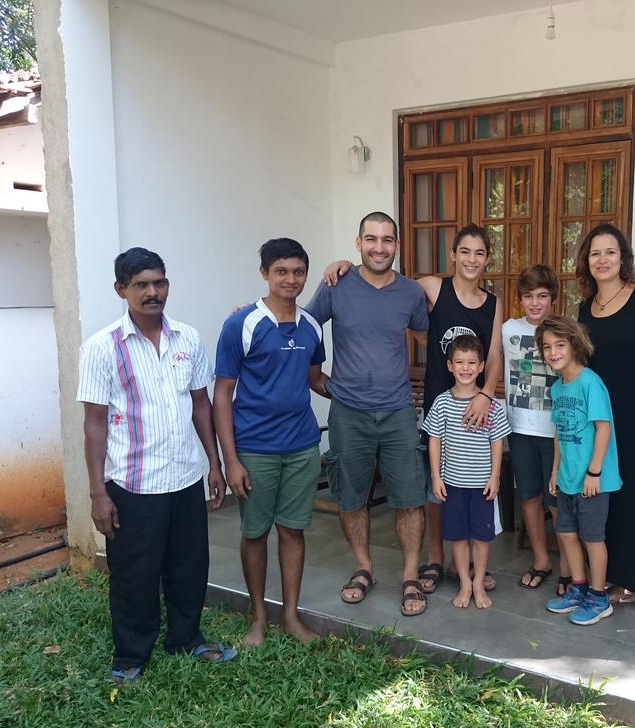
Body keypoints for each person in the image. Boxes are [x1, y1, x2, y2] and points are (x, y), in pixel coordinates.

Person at [77, 247, 235, 684]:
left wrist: (215, 465)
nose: (153, 292)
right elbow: (94, 424)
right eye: (141, 285)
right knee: (134, 574)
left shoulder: (187, 338)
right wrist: (97, 492)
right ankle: (131, 654)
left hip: (185, 476)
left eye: (159, 282)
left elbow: (201, 405)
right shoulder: (102, 347)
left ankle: (187, 638)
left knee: (189, 565)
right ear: (120, 290)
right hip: (132, 482)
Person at [323, 224, 503, 594]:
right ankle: (435, 559)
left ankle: (462, 561)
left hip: (476, 405)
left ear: (487, 259)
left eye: (479, 253)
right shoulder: (432, 286)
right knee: (438, 482)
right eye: (464, 251)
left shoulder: (493, 303)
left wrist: (486, 393)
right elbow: (383, 276)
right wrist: (342, 265)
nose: (471, 259)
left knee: (468, 482)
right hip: (441, 401)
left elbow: (495, 355)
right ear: (452, 255)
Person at [306, 212, 431, 617]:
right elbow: (303, 329)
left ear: (397, 245)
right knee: (350, 496)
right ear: (358, 243)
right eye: (372, 239)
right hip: (349, 412)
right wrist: (320, 381)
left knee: (411, 498)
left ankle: (410, 575)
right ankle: (364, 568)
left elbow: (428, 332)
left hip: (397, 411)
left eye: (388, 240)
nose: (380, 247)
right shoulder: (336, 285)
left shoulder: (410, 293)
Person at [214, 238, 324, 648]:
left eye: (298, 272)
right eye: (281, 271)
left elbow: (315, 380)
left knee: (293, 531)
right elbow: (222, 393)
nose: (290, 279)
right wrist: (231, 460)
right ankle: (258, 618)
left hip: (301, 446)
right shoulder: (241, 324)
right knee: (255, 533)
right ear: (264, 273)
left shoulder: (312, 325)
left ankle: (290, 616)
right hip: (255, 449)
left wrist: (356, 391)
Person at [576, 224, 635, 624]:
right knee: (609, 501)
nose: (602, 260)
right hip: (601, 420)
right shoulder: (585, 308)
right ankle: (618, 579)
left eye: (610, 252)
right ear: (587, 261)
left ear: (623, 258)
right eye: (595, 253)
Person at [537, 316, 621, 626]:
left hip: (592, 481)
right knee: (567, 535)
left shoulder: (590, 382)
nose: (553, 352)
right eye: (547, 347)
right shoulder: (558, 388)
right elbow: (559, 431)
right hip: (567, 478)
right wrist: (555, 470)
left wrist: (594, 472)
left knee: (592, 538)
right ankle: (579, 588)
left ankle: (599, 598)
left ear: (575, 345)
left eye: (560, 345)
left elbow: (603, 428)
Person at [424, 335, 511, 609]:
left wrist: (495, 476)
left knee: (482, 537)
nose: (465, 368)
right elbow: (434, 440)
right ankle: (463, 583)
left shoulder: (491, 404)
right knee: (459, 537)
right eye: (459, 362)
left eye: (471, 362)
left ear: (482, 365)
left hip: (482, 485)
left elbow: (497, 442)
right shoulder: (442, 403)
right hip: (452, 484)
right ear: (450, 366)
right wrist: (436, 476)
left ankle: (478, 583)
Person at [501, 265, 569, 593]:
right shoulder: (507, 329)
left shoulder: (566, 332)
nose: (535, 303)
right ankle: (542, 560)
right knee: (528, 497)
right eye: (528, 296)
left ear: (553, 299)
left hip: (557, 433)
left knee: (558, 501)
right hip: (520, 428)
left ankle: (569, 568)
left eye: (542, 296)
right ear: (520, 299)